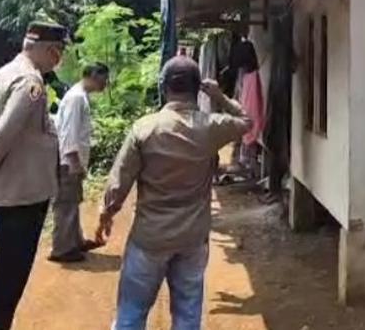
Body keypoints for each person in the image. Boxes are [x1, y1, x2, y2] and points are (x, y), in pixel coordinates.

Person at [98, 56, 251, 330]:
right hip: (193, 238)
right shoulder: (210, 127)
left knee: (131, 313)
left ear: (163, 87)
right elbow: (246, 120)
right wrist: (219, 95)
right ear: (197, 88)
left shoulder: (144, 128)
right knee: (187, 316)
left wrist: (106, 215)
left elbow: (118, 183)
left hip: (149, 238)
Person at [0, 21, 67, 330]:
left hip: (10, 192)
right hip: (21, 196)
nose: (59, 59)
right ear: (47, 49)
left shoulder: (4, 73)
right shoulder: (30, 83)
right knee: (9, 280)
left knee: (0, 270)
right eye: (58, 52)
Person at [49, 62, 110, 263]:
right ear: (93, 75)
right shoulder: (76, 98)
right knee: (65, 204)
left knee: (72, 202)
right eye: (103, 78)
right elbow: (69, 133)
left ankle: (75, 241)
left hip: (70, 160)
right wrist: (74, 161)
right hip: (68, 161)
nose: (105, 84)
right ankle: (61, 248)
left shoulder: (78, 96)